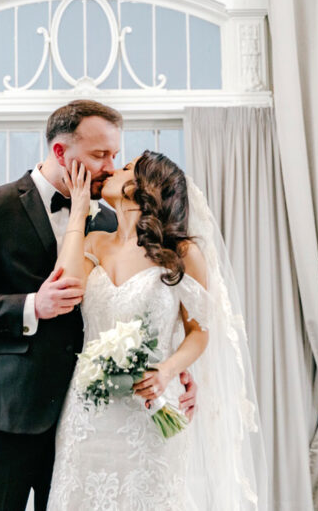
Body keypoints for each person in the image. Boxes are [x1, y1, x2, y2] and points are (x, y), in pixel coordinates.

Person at [0, 100, 197, 511]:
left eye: (115, 155)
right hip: (11, 414)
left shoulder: (112, 222)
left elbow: (145, 303)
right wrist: (30, 306)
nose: (112, 166)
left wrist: (173, 368)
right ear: (61, 152)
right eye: (99, 155)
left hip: (88, 418)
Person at [47, 151, 267, 510]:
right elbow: (67, 285)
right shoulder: (93, 242)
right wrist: (79, 210)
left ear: (144, 187)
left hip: (150, 408)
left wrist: (167, 370)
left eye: (127, 167)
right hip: (88, 411)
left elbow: (200, 330)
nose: (114, 169)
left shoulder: (181, 252)